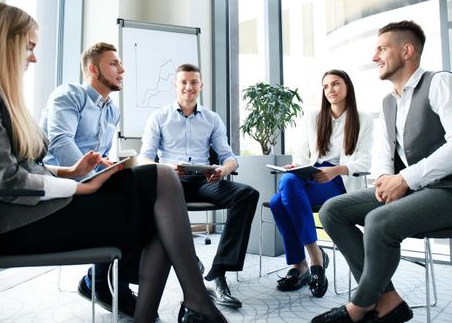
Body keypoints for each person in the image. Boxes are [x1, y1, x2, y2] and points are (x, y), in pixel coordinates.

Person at [0, 2, 228, 323]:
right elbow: (6, 180)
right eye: (28, 46)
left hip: (37, 207)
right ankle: (191, 303)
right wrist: (79, 186)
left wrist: (74, 173)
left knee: (159, 192)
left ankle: (180, 305)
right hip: (20, 223)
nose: (34, 57)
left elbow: (22, 165)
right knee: (160, 192)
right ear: (2, 43)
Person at [312, 20, 452, 323]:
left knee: (377, 220)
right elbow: (383, 156)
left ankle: (359, 306)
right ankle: (387, 299)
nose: (374, 57)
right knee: (332, 210)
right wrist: (385, 180)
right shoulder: (389, 102)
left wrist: (405, 179)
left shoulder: (439, 82)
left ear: (407, 51)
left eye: (381, 49)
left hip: (447, 190)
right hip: (415, 190)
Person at [138, 63, 259, 309]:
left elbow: (228, 155)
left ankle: (219, 271)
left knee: (247, 194)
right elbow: (144, 158)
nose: (188, 87)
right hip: (172, 181)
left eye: (194, 82)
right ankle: (190, 261)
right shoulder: (159, 117)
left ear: (201, 86)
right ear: (175, 85)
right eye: (183, 82)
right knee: (153, 201)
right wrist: (168, 167)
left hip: (205, 180)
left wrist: (224, 169)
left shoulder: (212, 118)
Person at [39, 42, 139, 316]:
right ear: (93, 69)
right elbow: (60, 143)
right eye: (114, 64)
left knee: (142, 185)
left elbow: (101, 154)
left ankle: (107, 280)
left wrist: (109, 166)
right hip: (62, 183)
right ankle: (104, 282)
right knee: (137, 191)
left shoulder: (111, 110)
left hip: (92, 182)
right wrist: (94, 178)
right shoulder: (69, 94)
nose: (122, 69)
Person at [269, 69, 373, 298]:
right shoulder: (313, 117)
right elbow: (301, 153)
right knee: (287, 182)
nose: (330, 90)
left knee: (278, 202)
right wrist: (297, 166)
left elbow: (365, 159)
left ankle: (304, 264)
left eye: (335, 84)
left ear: (348, 87)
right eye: (326, 86)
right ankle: (313, 260)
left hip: (338, 180)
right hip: (310, 175)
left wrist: (336, 170)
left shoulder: (363, 118)